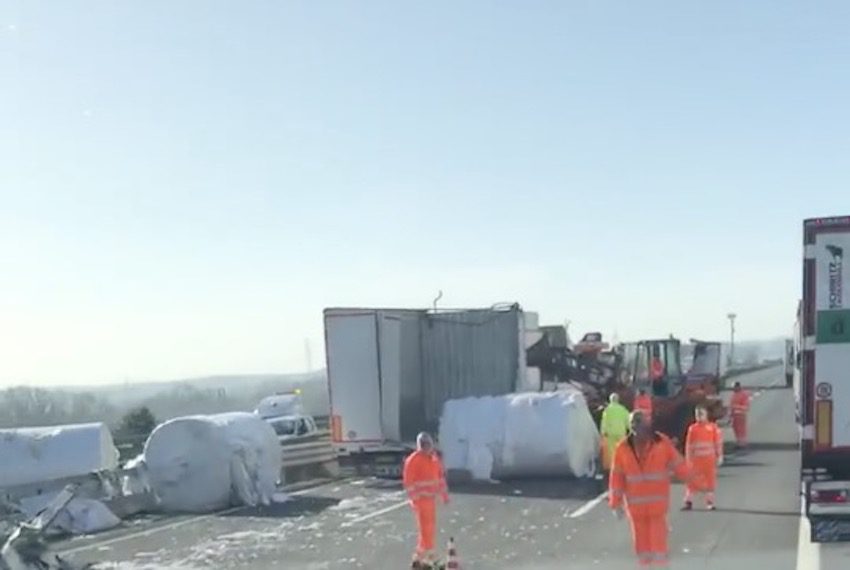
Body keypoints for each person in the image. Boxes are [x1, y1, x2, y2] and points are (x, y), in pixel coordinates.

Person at [609, 410, 695, 567]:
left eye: (640, 425)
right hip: (637, 508)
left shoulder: (661, 443)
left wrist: (694, 480)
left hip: (656, 507)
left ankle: (659, 566)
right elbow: (617, 477)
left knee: (658, 544)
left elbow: (678, 464)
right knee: (642, 547)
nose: (637, 429)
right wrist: (615, 503)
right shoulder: (622, 448)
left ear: (647, 425)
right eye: (634, 426)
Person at [403, 432, 449, 569]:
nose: (427, 447)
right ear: (420, 445)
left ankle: (418, 558)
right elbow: (409, 482)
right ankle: (430, 558)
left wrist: (444, 495)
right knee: (426, 530)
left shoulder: (433, 459)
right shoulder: (413, 460)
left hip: (430, 500)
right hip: (421, 502)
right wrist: (415, 499)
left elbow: (440, 478)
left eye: (428, 444)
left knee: (429, 530)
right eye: (424, 445)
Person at [682, 406, 723, 511]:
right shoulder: (692, 429)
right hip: (696, 460)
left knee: (710, 480)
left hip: (709, 460)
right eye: (697, 415)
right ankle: (688, 501)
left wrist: (719, 456)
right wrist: (688, 459)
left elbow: (718, 443)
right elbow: (688, 445)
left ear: (706, 415)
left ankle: (710, 502)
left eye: (701, 414)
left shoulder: (713, 428)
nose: (699, 417)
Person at [600, 393, 630, 472]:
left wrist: (603, 432)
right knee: (622, 449)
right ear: (618, 400)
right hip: (621, 432)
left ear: (610, 400)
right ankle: (622, 465)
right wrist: (630, 430)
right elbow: (628, 420)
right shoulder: (623, 409)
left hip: (610, 434)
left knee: (611, 451)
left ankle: (612, 467)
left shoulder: (607, 410)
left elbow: (604, 421)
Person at [730, 382, 751, 449]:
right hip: (735, 415)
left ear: (738, 387)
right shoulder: (734, 394)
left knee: (741, 430)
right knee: (736, 429)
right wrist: (731, 413)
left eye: (734, 387)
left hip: (741, 415)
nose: (733, 389)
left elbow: (746, 407)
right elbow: (731, 405)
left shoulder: (743, 394)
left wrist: (736, 407)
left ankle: (743, 443)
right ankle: (739, 442)